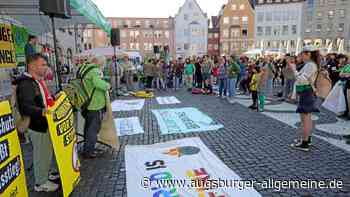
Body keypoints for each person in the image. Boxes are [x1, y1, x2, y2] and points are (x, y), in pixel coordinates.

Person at [15, 54, 59, 192]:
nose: (46, 67)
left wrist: (53, 98)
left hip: (44, 122)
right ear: (32, 66)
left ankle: (48, 172)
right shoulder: (26, 83)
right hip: (37, 124)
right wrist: (42, 111)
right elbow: (26, 106)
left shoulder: (37, 80)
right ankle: (41, 182)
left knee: (47, 150)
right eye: (43, 65)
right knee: (41, 153)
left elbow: (42, 98)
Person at [290, 46, 320, 151]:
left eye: (302, 54)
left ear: (308, 54)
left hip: (306, 92)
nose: (301, 56)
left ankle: (305, 143)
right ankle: (306, 139)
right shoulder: (310, 64)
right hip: (306, 92)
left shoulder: (310, 65)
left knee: (305, 119)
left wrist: (294, 70)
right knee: (307, 119)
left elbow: (301, 80)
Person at [81, 55, 111, 158]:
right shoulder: (94, 70)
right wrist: (108, 86)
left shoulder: (84, 67)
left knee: (88, 127)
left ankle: (87, 148)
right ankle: (89, 151)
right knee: (93, 129)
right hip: (95, 104)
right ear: (100, 63)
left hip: (86, 103)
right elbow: (98, 83)